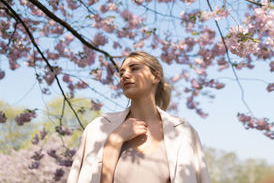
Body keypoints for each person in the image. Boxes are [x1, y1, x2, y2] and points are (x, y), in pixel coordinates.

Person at [67, 51, 210, 183]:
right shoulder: (99, 128)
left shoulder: (183, 132)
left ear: (156, 77)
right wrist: (114, 141)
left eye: (134, 68)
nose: (125, 75)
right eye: (121, 72)